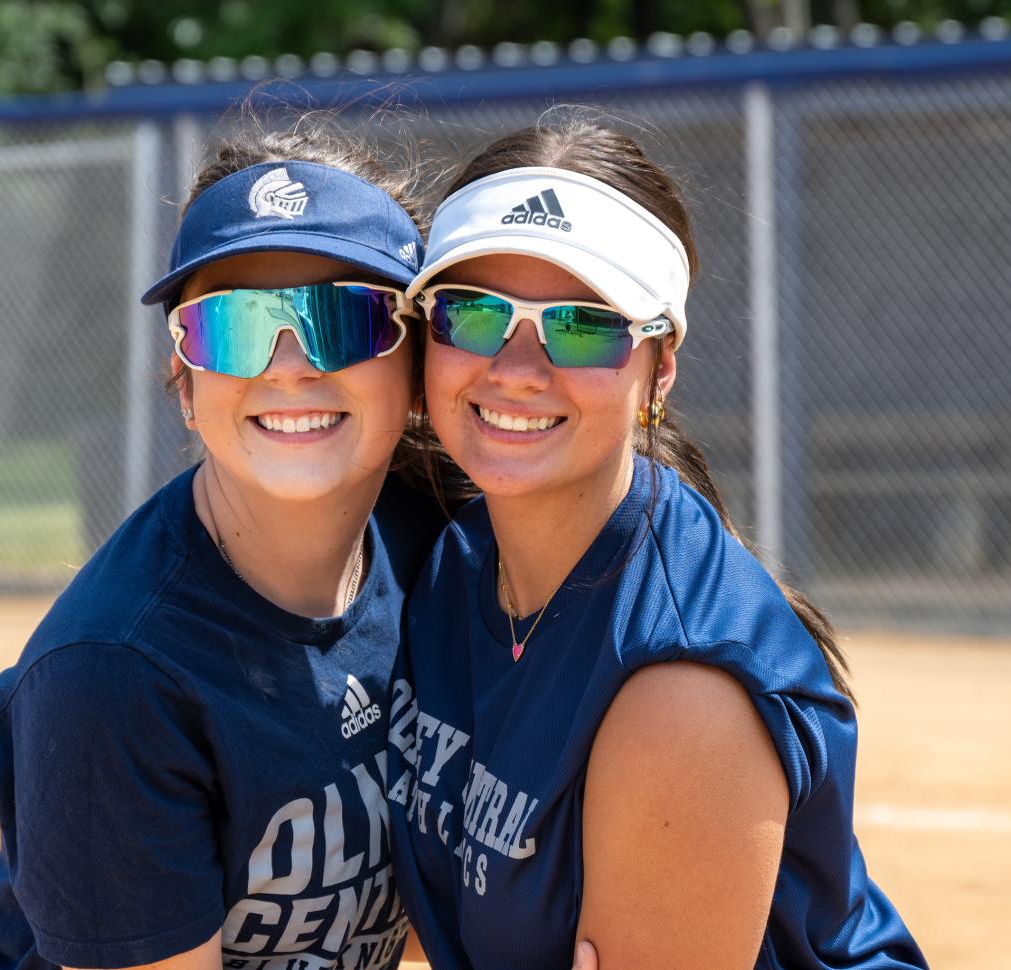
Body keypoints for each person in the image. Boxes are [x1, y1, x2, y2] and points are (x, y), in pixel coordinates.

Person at [385, 120, 928, 970]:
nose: (518, 367)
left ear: (660, 367)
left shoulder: (681, 697)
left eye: (582, 327)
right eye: (475, 313)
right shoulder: (454, 559)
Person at [0, 121, 448, 970]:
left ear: (417, 364)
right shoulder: (115, 672)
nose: (288, 365)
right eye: (233, 327)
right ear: (183, 379)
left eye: (343, 317)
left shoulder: (435, 548)